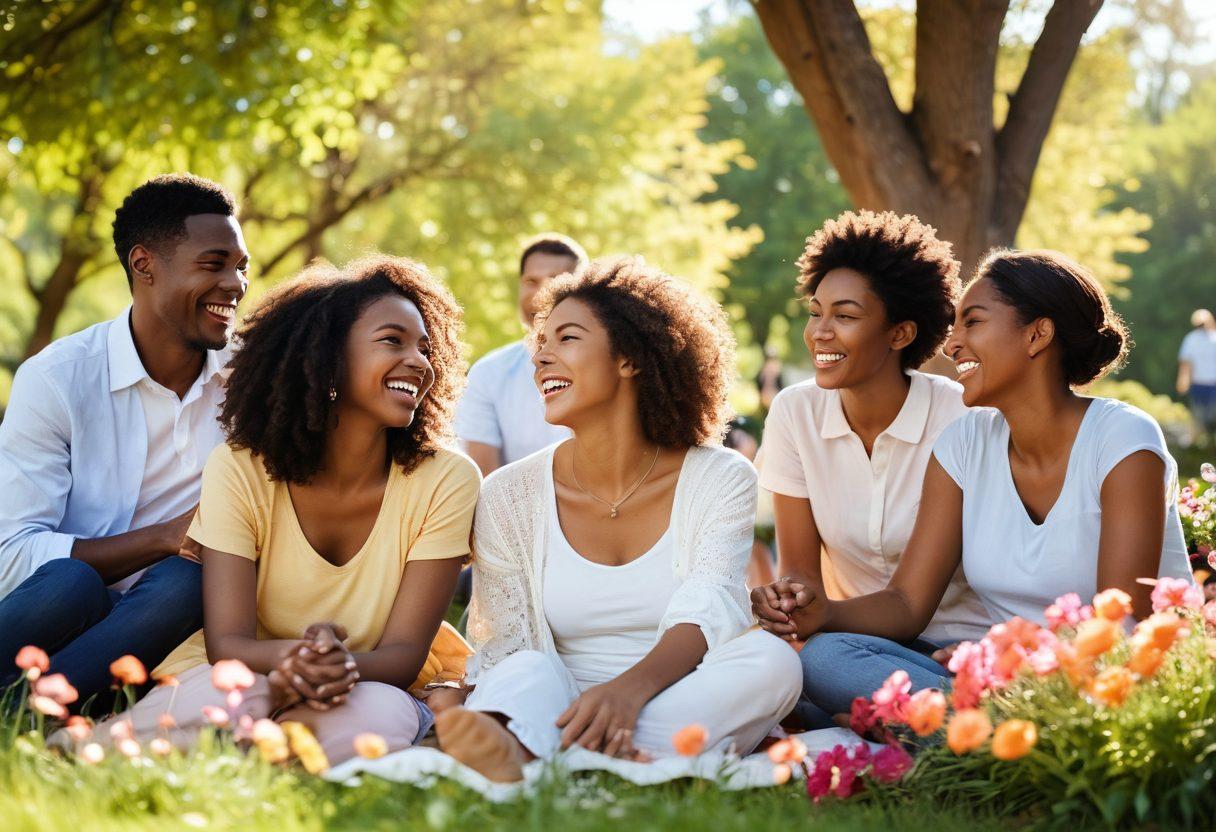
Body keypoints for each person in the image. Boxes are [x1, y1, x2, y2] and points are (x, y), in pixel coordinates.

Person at [759, 249, 1195, 721]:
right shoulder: (964, 443)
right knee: (824, 659)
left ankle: (944, 739)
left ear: (1037, 334)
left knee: (816, 696)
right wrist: (824, 614)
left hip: (1103, 686)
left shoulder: (1123, 439)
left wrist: (1006, 664)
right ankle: (969, 740)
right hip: (993, 682)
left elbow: (1122, 623)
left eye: (973, 322)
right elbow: (907, 604)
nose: (952, 345)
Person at [98, 256, 480, 765]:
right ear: (327, 358)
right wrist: (293, 660)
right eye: (393, 341)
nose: (419, 361)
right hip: (240, 670)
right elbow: (227, 643)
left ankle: (261, 768)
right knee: (232, 696)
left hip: (367, 680)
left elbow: (404, 656)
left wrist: (331, 664)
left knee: (378, 713)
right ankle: (95, 749)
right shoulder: (239, 469)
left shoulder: (446, 479)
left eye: (425, 348)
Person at [433, 257, 801, 782]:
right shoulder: (509, 494)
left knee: (773, 664)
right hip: (555, 693)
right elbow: (509, 645)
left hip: (677, 690)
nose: (541, 357)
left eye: (567, 338)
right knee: (522, 670)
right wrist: (588, 699)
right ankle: (600, 756)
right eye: (541, 342)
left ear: (629, 358)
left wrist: (627, 694)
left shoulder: (719, 477)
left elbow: (710, 604)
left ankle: (543, 756)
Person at [0, 174, 248, 705]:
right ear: (144, 265)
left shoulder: (253, 381)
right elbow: (11, 557)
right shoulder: (58, 378)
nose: (235, 284)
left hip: (164, 626)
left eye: (240, 267)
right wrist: (166, 536)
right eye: (214, 264)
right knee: (72, 583)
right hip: (44, 617)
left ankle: (26, 713)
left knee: (187, 581)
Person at [750, 211, 991, 729]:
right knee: (767, 674)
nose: (820, 333)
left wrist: (823, 620)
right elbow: (799, 573)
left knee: (819, 668)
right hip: (857, 648)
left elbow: (910, 606)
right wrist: (787, 599)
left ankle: (976, 732)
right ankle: (895, 729)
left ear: (900, 332)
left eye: (845, 315)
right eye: (815, 313)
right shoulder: (795, 413)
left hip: (955, 649)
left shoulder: (961, 419)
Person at [455, 233, 588, 476]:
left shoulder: (607, 369)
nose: (541, 294)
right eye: (531, 281)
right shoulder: (488, 374)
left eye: (556, 281)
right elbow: (484, 479)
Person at [722, 417, 776, 589]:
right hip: (750, 530)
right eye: (739, 439)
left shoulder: (758, 465)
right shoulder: (736, 473)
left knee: (763, 571)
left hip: (762, 530)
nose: (746, 439)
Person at [1177, 309, 1216, 445]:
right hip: (1208, 384)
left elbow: (1186, 363)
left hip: (1200, 383)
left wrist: (1182, 382)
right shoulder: (1211, 338)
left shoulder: (1191, 339)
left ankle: (1201, 443)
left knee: (1200, 418)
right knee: (1207, 417)